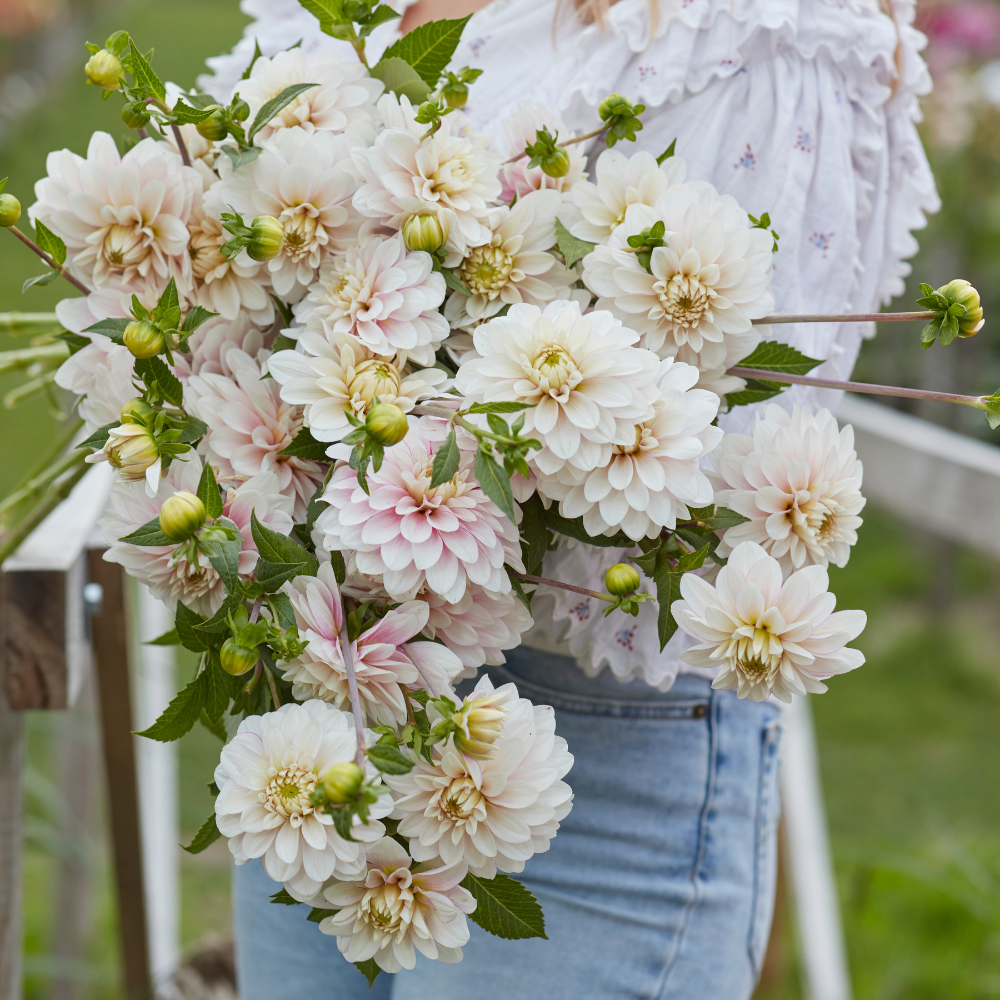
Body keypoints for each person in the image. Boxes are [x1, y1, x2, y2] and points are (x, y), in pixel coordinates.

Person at [206, 0, 937, 995]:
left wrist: (450, 436)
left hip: (591, 757)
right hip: (325, 712)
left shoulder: (755, 29)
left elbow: (731, 451)